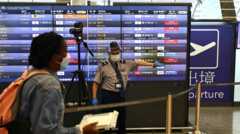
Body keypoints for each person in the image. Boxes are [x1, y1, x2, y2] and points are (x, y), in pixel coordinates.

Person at [17, 32, 98, 134]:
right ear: (55, 57)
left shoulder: (31, 75)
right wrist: (81, 131)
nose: (67, 56)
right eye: (65, 51)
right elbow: (45, 131)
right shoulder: (48, 85)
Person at [91, 41, 158, 134]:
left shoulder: (125, 63)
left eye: (117, 52)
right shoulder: (103, 66)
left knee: (122, 121)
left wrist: (152, 64)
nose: (116, 54)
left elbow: (138, 62)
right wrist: (94, 98)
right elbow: (95, 83)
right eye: (113, 52)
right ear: (109, 53)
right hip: (107, 96)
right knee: (106, 122)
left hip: (120, 95)